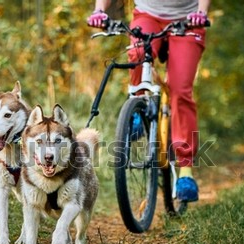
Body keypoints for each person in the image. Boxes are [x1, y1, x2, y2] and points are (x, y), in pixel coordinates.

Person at [87, 0, 210, 203]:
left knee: (180, 90)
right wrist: (99, 10)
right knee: (136, 55)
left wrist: (201, 12)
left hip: (188, 20)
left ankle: (186, 170)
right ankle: (138, 110)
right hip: (148, 15)